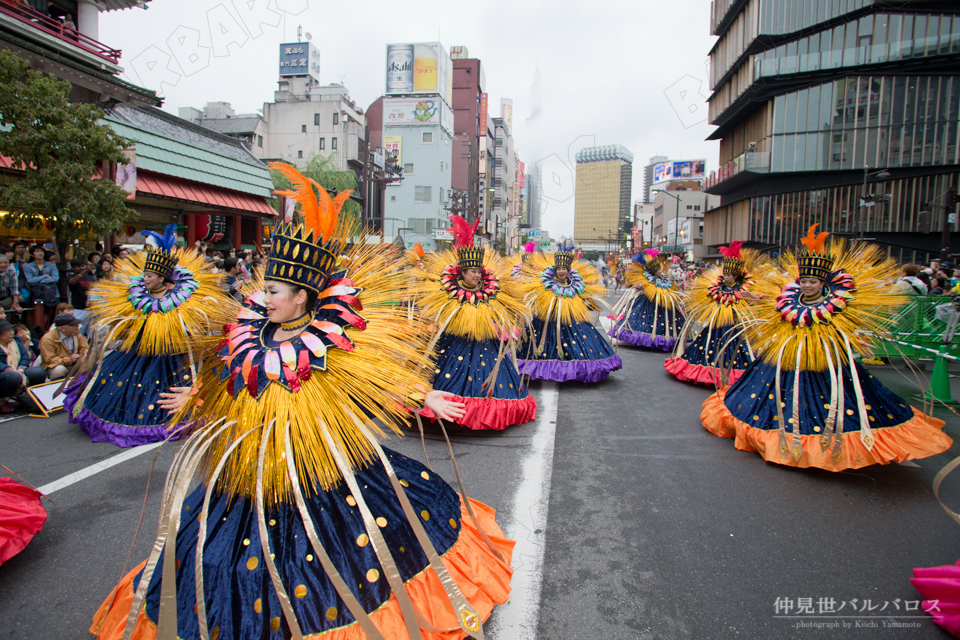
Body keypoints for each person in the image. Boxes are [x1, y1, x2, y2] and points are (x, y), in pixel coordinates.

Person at [89, 163, 514, 640]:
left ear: (301, 296)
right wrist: (197, 396)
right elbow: (229, 385)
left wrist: (424, 394)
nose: (262, 296)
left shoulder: (333, 338)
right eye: (264, 289)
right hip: (248, 470)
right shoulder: (247, 332)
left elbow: (375, 383)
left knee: (338, 554)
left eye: (272, 290)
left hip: (319, 463)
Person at [699, 225, 952, 470]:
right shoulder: (789, 299)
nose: (808, 286)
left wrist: (855, 341)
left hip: (825, 359)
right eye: (805, 281)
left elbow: (848, 325)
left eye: (813, 282)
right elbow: (772, 312)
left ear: (822, 283)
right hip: (788, 356)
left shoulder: (838, 302)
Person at [63, 225, 233, 448]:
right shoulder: (136, 295)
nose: (145, 278)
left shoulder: (182, 297)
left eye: (150, 275)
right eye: (144, 274)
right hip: (139, 350)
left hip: (172, 353)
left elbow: (193, 324)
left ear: (162, 278)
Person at [411, 214, 537, 431]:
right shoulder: (448, 291)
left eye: (479, 272)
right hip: (453, 342)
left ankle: (479, 414)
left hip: (484, 342)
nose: (477, 276)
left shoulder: (491, 292)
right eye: (473, 272)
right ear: (462, 273)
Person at [516, 239, 622, 383]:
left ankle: (574, 369)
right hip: (549, 320)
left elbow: (582, 299)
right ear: (555, 270)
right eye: (558, 269)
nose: (561, 271)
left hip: (572, 319)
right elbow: (538, 298)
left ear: (568, 270)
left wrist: (592, 306)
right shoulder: (546, 283)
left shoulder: (576, 284)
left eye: (564, 269)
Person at [664, 241, 764, 385]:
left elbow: (757, 302)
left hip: (735, 326)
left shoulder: (744, 290)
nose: (726, 277)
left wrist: (753, 297)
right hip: (716, 325)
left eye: (729, 275)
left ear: (735, 276)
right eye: (725, 274)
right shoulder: (717, 287)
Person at [609, 248, 685, 351]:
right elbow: (643, 285)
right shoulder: (647, 278)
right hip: (648, 302)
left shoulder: (663, 278)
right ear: (653, 271)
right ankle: (644, 339)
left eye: (660, 269)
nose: (660, 271)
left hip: (662, 302)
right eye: (658, 270)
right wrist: (639, 286)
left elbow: (669, 286)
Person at [0, 318, 45, 412]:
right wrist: (9, 369)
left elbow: (25, 356)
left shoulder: (16, 340)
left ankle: (32, 399)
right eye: (7, 331)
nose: (11, 333)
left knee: (38, 371)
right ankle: (2, 402)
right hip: (4, 374)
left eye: (12, 330)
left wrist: (20, 369)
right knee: (13, 376)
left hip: (18, 370)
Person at [38, 313, 87, 380]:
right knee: (60, 370)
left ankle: (82, 386)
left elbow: (84, 347)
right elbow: (50, 360)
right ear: (62, 328)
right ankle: (57, 389)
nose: (77, 326)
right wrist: (69, 359)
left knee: (88, 363)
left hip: (73, 363)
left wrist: (84, 355)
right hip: (53, 367)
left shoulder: (76, 334)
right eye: (74, 325)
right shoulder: (47, 339)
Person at [22, 244, 60, 327]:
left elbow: (55, 278)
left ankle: (45, 332)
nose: (40, 253)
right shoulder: (28, 266)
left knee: (48, 315)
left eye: (41, 251)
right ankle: (39, 333)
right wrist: (44, 276)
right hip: (35, 293)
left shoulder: (51, 265)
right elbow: (30, 280)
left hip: (50, 292)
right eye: (37, 251)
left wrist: (41, 281)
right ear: (32, 254)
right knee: (38, 315)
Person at [66, 257, 96, 327]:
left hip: (90, 309)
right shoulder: (70, 277)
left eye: (83, 266)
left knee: (90, 332)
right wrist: (85, 271)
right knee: (77, 329)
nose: (81, 268)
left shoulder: (90, 277)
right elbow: (73, 282)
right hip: (77, 308)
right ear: (73, 268)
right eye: (78, 266)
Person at [0, 254, 24, 319]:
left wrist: (16, 302)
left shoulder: (11, 271)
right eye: (0, 263)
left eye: (5, 263)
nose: (3, 265)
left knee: (12, 309)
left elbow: (14, 288)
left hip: (6, 297)